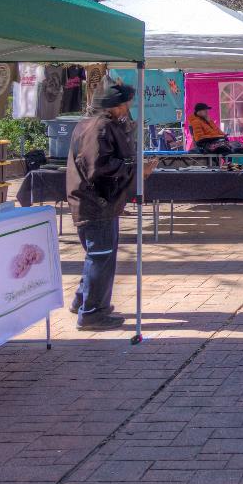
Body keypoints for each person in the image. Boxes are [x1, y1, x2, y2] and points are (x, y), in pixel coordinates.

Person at [67, 82, 157, 331]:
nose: (128, 109)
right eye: (126, 104)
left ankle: (83, 301)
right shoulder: (100, 127)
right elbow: (99, 168)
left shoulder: (93, 124)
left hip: (96, 201)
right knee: (101, 257)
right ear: (116, 106)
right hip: (96, 202)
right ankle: (92, 313)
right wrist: (138, 171)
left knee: (98, 256)